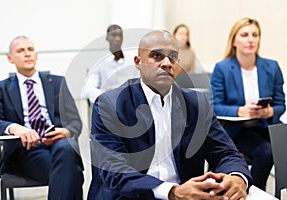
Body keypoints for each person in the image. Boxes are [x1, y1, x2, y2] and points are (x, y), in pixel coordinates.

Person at [87, 30, 252, 200]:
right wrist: (172, 192)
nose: (166, 63)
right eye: (156, 56)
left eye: (172, 56)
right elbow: (115, 170)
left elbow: (226, 153)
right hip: (130, 195)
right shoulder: (110, 105)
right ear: (138, 62)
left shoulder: (196, 104)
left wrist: (237, 177)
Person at [0, 36, 84, 199]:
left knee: (66, 147)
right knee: (72, 171)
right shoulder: (1, 88)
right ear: (10, 59)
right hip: (26, 150)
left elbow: (75, 122)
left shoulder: (57, 83)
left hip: (58, 144)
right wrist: (15, 128)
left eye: (30, 49)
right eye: (20, 51)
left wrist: (66, 132)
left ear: (36, 55)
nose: (27, 54)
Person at [210, 17, 285, 191]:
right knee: (266, 152)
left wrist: (269, 112)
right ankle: (254, 192)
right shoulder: (222, 68)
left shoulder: (272, 67)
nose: (250, 39)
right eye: (244, 35)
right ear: (234, 40)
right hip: (238, 129)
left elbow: (281, 104)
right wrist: (240, 111)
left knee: (281, 147)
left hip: (265, 125)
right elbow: (215, 106)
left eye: (255, 35)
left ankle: (277, 194)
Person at [83, 24, 139, 103]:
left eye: (120, 35)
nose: (117, 38)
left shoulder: (131, 60)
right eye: (113, 35)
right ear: (107, 38)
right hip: (108, 104)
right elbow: (87, 90)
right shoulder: (99, 62)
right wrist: (104, 92)